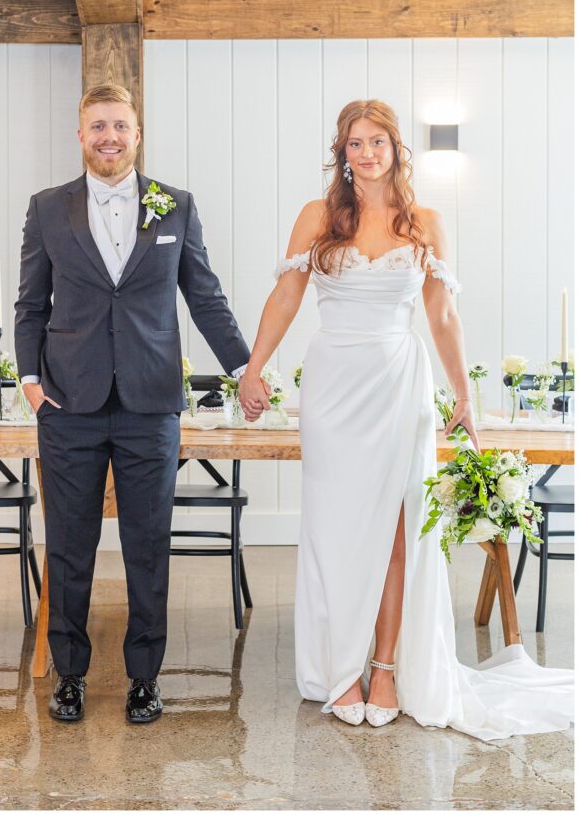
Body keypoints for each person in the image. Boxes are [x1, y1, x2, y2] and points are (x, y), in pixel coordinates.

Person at [238, 99, 573, 740]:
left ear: (397, 149)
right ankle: (340, 670)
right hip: (333, 385)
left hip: (398, 381)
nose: (366, 153)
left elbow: (443, 315)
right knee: (335, 528)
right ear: (342, 152)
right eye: (355, 143)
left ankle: (386, 665)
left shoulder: (424, 222)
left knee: (397, 528)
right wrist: (254, 368)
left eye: (378, 141)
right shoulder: (318, 217)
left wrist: (464, 398)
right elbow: (286, 295)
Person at [14, 83, 263, 724]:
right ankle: (68, 675)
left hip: (151, 403)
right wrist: (30, 382)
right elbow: (30, 306)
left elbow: (204, 297)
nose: (109, 137)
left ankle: (143, 678)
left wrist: (244, 368)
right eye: (97, 126)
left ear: (137, 132)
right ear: (81, 135)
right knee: (68, 542)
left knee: (148, 544)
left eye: (119, 126)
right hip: (68, 403)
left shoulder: (174, 206)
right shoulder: (47, 208)